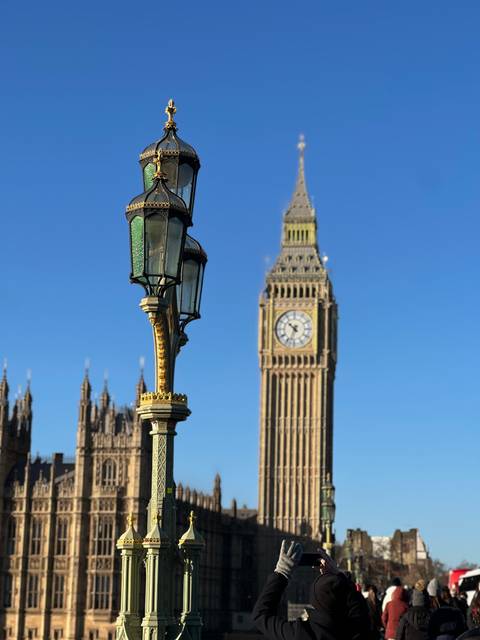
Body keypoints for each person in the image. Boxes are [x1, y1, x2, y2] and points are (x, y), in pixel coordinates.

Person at [252, 540, 370, 640]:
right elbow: (359, 609)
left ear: (315, 598)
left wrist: (282, 572)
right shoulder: (357, 630)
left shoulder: (301, 633)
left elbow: (260, 616)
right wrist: (339, 577)